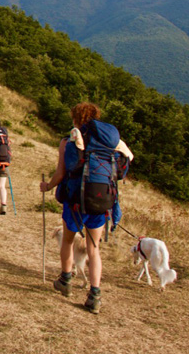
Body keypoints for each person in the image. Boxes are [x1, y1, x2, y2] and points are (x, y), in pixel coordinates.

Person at [40, 102, 126, 314]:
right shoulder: (109, 144)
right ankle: (95, 295)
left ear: (77, 118)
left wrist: (48, 186)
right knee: (94, 249)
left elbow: (61, 173)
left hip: (75, 201)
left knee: (68, 241)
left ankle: (65, 280)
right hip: (101, 203)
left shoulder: (68, 141)